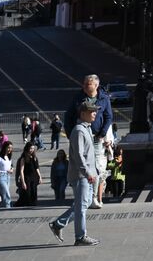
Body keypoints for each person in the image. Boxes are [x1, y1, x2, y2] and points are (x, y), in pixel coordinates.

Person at [49, 97, 102, 246]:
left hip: (87, 175)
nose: (95, 114)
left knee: (82, 205)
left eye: (95, 112)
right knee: (81, 208)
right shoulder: (79, 131)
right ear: (83, 113)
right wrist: (87, 173)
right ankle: (80, 237)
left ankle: (58, 224)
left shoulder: (86, 129)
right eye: (92, 112)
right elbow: (79, 155)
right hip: (81, 176)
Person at [64, 74, 113, 208]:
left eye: (87, 84)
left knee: (96, 168)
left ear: (96, 86)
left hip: (96, 138)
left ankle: (92, 197)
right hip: (81, 136)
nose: (84, 86)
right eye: (84, 83)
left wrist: (102, 133)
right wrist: (70, 134)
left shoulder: (103, 98)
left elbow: (109, 117)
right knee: (80, 163)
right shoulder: (78, 98)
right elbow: (68, 117)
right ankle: (81, 195)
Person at [16, 142, 41, 206]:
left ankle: (33, 203)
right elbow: (21, 170)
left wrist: (40, 177)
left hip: (34, 177)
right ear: (27, 148)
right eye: (30, 148)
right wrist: (23, 182)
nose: (32, 150)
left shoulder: (34, 157)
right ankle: (27, 204)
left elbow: (37, 168)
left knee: (34, 190)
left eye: (33, 148)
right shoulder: (23, 158)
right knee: (28, 192)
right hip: (27, 177)